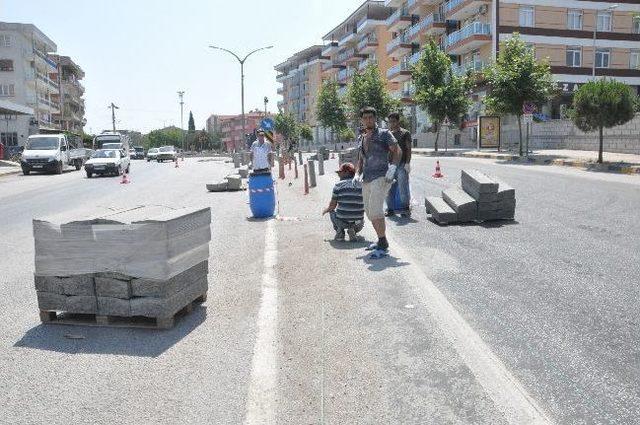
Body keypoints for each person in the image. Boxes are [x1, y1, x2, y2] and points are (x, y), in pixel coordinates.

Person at [354, 107, 401, 258]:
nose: (368, 120)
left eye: (371, 117)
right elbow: (361, 158)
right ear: (361, 120)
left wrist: (393, 167)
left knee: (376, 210)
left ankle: (382, 243)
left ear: (375, 118)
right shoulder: (362, 137)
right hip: (366, 178)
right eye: (365, 117)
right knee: (369, 212)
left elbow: (397, 151)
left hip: (381, 176)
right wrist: (357, 173)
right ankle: (382, 239)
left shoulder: (384, 134)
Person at [322, 162, 364, 242]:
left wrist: (325, 210)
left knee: (331, 211)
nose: (338, 175)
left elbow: (332, 206)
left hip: (342, 222)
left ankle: (340, 232)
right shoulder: (361, 185)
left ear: (346, 172)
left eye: (340, 173)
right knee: (359, 214)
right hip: (358, 223)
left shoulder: (338, 185)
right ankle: (353, 230)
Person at [386, 112, 412, 217]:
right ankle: (390, 209)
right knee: (389, 188)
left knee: (402, 188)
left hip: (401, 165)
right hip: (390, 166)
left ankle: (405, 209)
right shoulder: (388, 134)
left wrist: (407, 163)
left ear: (398, 121)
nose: (392, 123)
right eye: (390, 122)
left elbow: (408, 149)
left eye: (394, 121)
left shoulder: (405, 133)